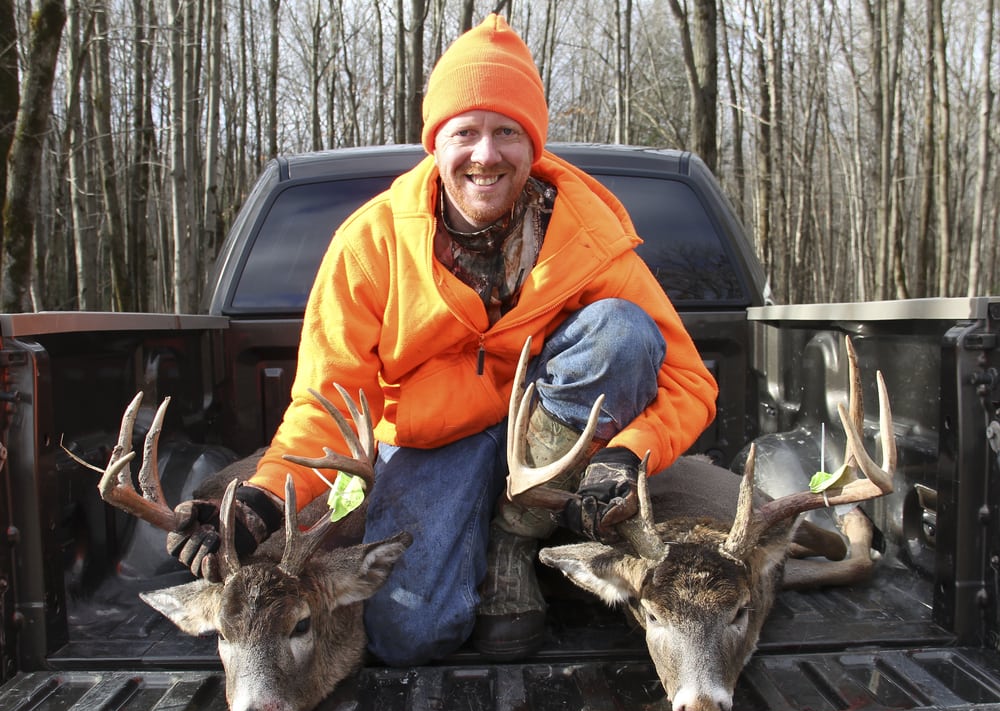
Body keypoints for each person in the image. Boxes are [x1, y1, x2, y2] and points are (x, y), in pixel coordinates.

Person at [167, 14, 718, 665]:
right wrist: (260, 498)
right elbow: (330, 399)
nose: (485, 154)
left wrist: (628, 454)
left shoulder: (586, 238)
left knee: (622, 331)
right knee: (408, 637)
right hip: (432, 444)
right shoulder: (370, 245)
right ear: (436, 143)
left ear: (532, 143)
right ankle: (471, 534)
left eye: (507, 132)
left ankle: (514, 543)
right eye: (466, 133)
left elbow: (688, 380)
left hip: (545, 434)